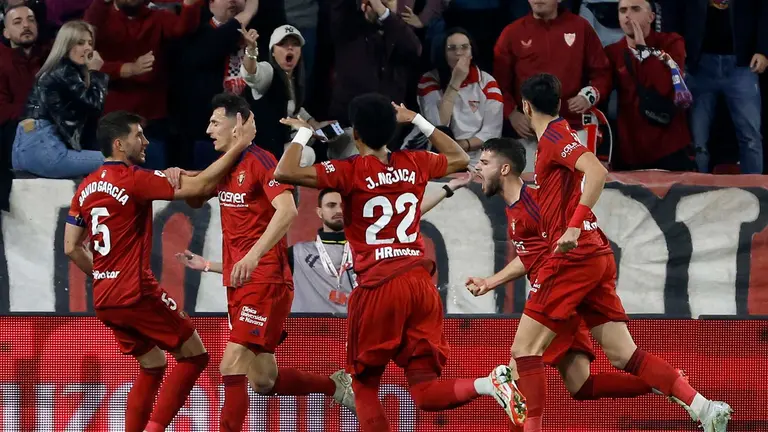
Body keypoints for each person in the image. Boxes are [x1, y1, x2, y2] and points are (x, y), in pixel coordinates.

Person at [273, 93, 527, 430]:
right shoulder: (416, 161)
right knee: (423, 392)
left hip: (379, 288)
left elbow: (284, 171)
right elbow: (460, 156)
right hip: (420, 285)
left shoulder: (349, 171)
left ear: (357, 135)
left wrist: (304, 132)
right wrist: (419, 120)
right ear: (393, 130)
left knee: (362, 385)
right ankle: (487, 384)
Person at [508, 73, 731, 431]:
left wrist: (574, 224)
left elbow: (596, 170)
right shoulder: (556, 135)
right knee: (622, 355)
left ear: (525, 106)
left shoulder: (554, 136)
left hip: (573, 256)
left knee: (523, 352)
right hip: (594, 255)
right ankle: (702, 405)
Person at [464, 137, 697, 424]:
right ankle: (663, 381)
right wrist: (490, 282)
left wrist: (555, 290)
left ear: (504, 169)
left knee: (515, 374)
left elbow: (566, 248)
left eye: (485, 163)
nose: (478, 168)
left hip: (558, 299)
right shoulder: (517, 208)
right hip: (560, 298)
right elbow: (532, 256)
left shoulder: (535, 205)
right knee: (580, 384)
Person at [63, 109, 256, 432]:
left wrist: (102, 275)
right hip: (136, 292)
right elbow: (198, 189)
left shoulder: (85, 188)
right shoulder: (134, 179)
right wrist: (239, 147)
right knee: (194, 357)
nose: (146, 141)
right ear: (120, 144)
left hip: (105, 299)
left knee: (153, 364)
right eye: (139, 135)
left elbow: (71, 246)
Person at [181, 93, 355, 431]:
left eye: (216, 122)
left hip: (266, 280)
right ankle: (335, 386)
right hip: (239, 283)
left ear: (238, 124)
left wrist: (253, 254)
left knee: (230, 365)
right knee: (263, 380)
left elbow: (288, 210)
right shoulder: (226, 165)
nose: (208, 129)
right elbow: (194, 200)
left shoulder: (262, 162)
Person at [179, 175, 474, 314]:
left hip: (353, 332)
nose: (337, 210)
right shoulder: (299, 253)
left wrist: (448, 189)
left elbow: (411, 214)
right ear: (319, 213)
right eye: (330, 205)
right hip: (308, 336)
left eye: (341, 205)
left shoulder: (366, 242)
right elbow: (255, 269)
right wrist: (205, 265)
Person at [12, 20, 106, 178]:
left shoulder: (60, 71)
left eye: (90, 43)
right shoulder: (64, 71)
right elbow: (94, 104)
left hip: (26, 147)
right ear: (67, 45)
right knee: (114, 162)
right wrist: (96, 73)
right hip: (42, 146)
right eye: (80, 43)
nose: (88, 48)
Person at [412, 27, 503, 165]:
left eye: (464, 47)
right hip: (441, 156)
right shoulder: (428, 81)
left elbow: (492, 133)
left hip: (479, 159)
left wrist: (463, 145)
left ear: (472, 52)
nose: (459, 53)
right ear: (443, 53)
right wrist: (455, 82)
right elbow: (438, 126)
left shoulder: (487, 82)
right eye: (451, 48)